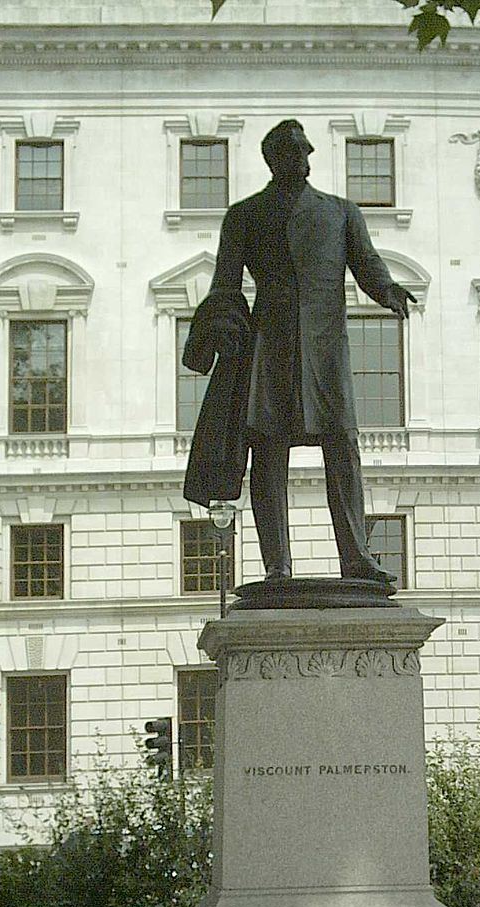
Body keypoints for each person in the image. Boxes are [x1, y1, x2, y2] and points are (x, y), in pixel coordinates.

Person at [183, 119, 416, 584]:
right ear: (274, 161)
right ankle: (278, 567)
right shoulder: (244, 215)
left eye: (305, 154)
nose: (303, 163)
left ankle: (356, 557)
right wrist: (218, 331)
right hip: (268, 347)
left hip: (326, 349)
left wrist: (387, 289)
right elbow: (224, 285)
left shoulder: (341, 212)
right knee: (269, 455)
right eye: (292, 155)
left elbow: (366, 262)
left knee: (343, 448)